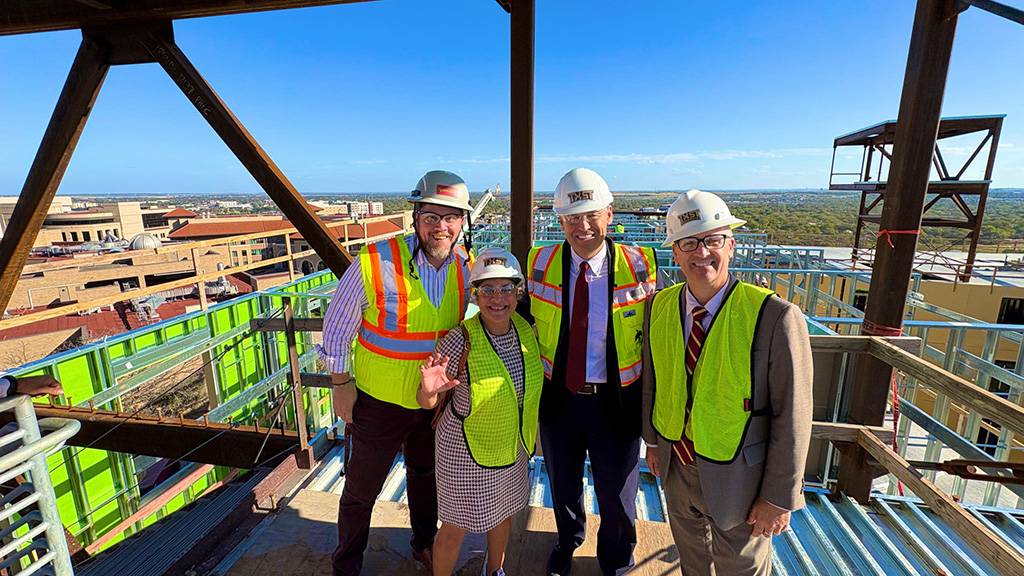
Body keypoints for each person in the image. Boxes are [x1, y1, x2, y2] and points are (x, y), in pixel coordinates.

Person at [641, 189, 813, 576]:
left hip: (741, 476)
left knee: (743, 568)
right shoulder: (659, 306)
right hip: (677, 466)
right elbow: (654, 381)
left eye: (713, 240)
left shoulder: (774, 316)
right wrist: (653, 442)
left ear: (731, 246)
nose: (702, 252)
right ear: (676, 251)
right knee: (693, 561)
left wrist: (778, 498)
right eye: (689, 243)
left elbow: (794, 415)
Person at [318, 170, 474, 576]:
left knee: (426, 479)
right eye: (431, 216)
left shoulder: (464, 268)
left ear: (463, 223)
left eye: (451, 217)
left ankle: (423, 545)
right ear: (416, 217)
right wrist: (341, 384)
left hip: (433, 404)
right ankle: (347, 564)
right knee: (360, 491)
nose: (441, 226)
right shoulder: (374, 262)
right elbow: (336, 330)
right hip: (378, 404)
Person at [525, 168, 657, 576]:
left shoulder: (640, 263)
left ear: (610, 214)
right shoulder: (539, 260)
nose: (583, 226)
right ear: (559, 220)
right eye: (572, 218)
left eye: (591, 215)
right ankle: (567, 543)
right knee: (563, 484)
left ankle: (616, 560)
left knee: (617, 494)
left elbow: (657, 329)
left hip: (617, 402)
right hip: (559, 398)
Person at [418, 247, 542, 576]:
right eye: (487, 289)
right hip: (464, 454)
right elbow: (427, 401)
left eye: (506, 288)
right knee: (455, 527)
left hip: (511, 447)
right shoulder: (460, 340)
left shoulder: (526, 331)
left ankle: (495, 570)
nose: (497, 298)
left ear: (518, 292)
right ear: (476, 294)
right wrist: (428, 391)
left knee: (503, 514)